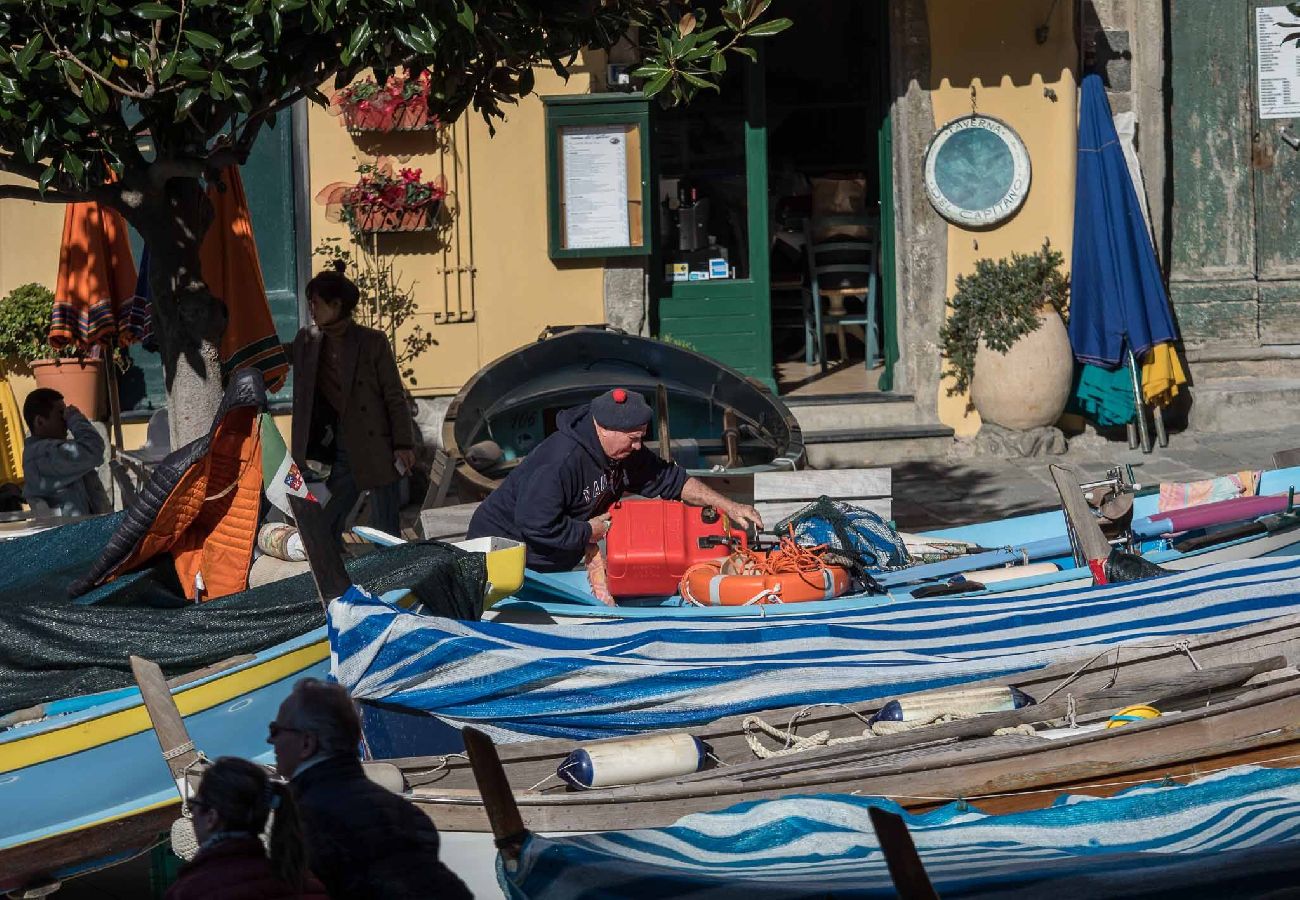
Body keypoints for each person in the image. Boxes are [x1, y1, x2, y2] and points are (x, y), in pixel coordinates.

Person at [466, 387, 763, 603]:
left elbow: (671, 480)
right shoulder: (560, 461)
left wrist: (729, 506)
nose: (638, 447)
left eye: (641, 438)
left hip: (553, 555)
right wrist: (588, 531)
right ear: (604, 429)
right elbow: (535, 524)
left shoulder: (622, 453)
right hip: (501, 561)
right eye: (633, 439)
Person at [268, 678, 472, 900]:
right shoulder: (408, 813)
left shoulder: (301, 817)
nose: (270, 740)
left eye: (276, 730)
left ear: (307, 743)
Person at [290, 262, 416, 543]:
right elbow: (280, 356)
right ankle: (329, 558)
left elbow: (393, 394)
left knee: (386, 522)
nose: (312, 310)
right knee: (334, 508)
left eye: (317, 304)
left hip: (376, 443)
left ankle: (393, 572)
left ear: (337, 305)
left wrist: (403, 443)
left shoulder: (372, 342)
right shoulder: (308, 342)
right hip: (341, 443)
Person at [166, 756, 327, 900]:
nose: (192, 815)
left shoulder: (188, 892)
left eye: (193, 805)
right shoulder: (309, 884)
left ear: (211, 818)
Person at [21, 387, 109, 517]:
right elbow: (93, 449)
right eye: (61, 414)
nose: (66, 421)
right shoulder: (44, 455)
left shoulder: (47, 450)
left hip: (87, 527)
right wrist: (75, 417)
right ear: (40, 421)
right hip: (80, 532)